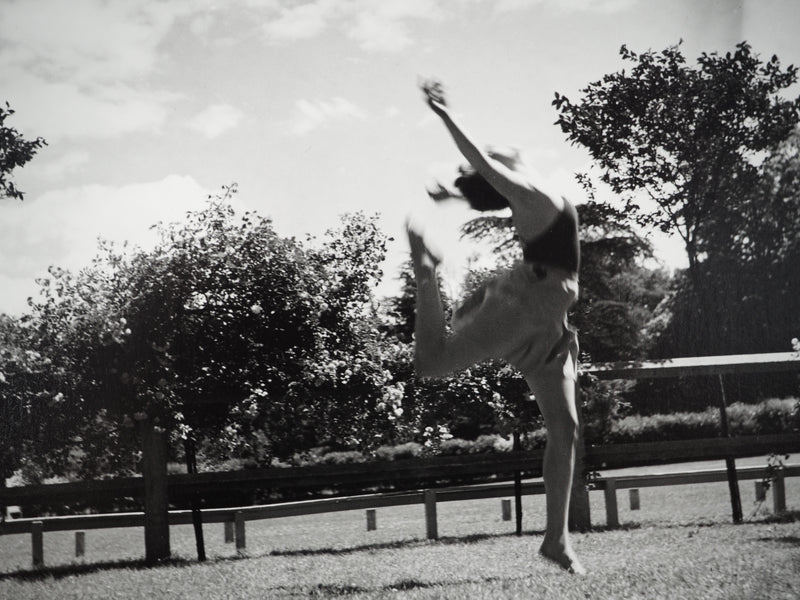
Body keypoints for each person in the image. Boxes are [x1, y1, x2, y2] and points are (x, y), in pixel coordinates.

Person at [408, 79, 585, 574]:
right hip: (528, 301)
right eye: (488, 158)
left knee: (565, 428)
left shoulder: (532, 191)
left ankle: (556, 541)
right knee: (433, 364)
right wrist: (444, 114)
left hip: (549, 314)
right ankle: (426, 274)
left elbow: (484, 181)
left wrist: (458, 194)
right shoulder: (529, 191)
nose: (492, 150)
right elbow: (482, 164)